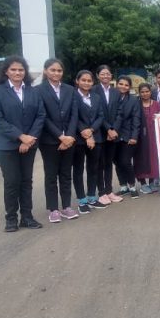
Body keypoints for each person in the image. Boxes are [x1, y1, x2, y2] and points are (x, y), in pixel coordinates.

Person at [0, 56, 45, 232]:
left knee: (26, 181)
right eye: (13, 69)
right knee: (12, 181)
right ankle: (11, 218)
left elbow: (40, 116)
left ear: (25, 72)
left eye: (21, 69)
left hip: (29, 143)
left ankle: (27, 217)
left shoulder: (33, 92)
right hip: (6, 145)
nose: (17, 72)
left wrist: (29, 139)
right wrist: (20, 137)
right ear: (6, 71)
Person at [38, 58, 79, 223]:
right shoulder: (38, 90)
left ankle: (67, 206)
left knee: (66, 174)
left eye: (59, 70)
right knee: (51, 175)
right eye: (53, 70)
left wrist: (68, 136)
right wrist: (60, 136)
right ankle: (53, 209)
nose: (56, 73)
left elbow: (74, 114)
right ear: (45, 71)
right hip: (49, 140)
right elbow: (42, 116)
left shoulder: (70, 90)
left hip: (69, 139)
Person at [72, 70, 107, 214]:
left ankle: (92, 197)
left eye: (89, 80)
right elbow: (73, 116)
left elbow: (101, 116)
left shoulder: (97, 97)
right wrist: (85, 132)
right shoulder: (72, 96)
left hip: (96, 136)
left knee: (93, 168)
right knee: (78, 169)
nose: (86, 83)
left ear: (93, 82)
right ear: (77, 81)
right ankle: (82, 200)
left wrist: (91, 130)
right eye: (83, 80)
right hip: (78, 138)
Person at [93, 65, 124, 205]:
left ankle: (109, 190)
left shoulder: (116, 92)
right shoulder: (93, 90)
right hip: (99, 133)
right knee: (99, 163)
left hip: (113, 134)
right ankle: (101, 192)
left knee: (108, 163)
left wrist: (114, 129)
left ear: (111, 76)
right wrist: (108, 129)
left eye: (108, 74)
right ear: (97, 75)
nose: (105, 76)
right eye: (103, 74)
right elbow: (96, 113)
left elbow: (119, 112)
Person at [113, 75, 141, 198]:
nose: (123, 87)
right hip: (113, 136)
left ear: (129, 87)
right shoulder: (112, 97)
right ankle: (123, 186)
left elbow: (136, 119)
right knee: (117, 162)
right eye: (121, 84)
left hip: (128, 135)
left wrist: (134, 136)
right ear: (116, 84)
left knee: (125, 161)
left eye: (126, 85)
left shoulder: (133, 100)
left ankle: (132, 186)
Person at [134, 82, 160, 194]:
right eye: (142, 92)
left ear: (151, 92)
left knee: (153, 159)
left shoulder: (157, 105)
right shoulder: (136, 104)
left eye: (147, 91)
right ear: (139, 93)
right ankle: (142, 184)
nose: (145, 94)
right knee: (140, 159)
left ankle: (151, 182)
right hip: (140, 137)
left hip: (153, 137)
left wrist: (159, 118)